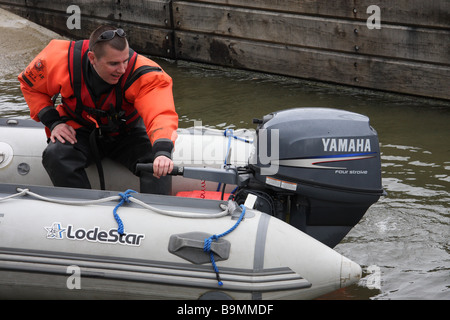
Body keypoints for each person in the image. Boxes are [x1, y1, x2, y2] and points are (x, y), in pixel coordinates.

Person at [18, 25, 178, 194]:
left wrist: (162, 151)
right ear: (92, 58)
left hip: (128, 134)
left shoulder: (145, 74)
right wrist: (54, 123)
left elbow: (160, 113)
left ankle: (154, 214)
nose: (122, 69)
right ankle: (81, 208)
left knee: (156, 163)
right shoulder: (59, 60)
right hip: (80, 130)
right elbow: (31, 87)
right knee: (57, 156)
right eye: (114, 63)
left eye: (125, 60)